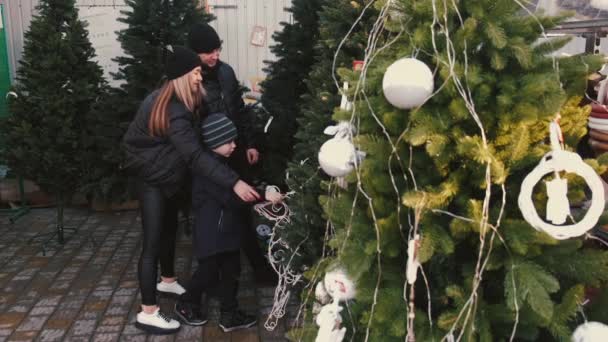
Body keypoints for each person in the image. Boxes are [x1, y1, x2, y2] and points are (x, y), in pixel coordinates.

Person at [122, 46, 260, 335]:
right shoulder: (173, 110)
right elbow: (196, 155)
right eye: (196, 72)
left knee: (169, 230)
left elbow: (211, 128)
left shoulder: (191, 98)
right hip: (151, 176)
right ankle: (148, 311)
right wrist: (234, 181)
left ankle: (168, 280)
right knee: (152, 242)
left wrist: (238, 144)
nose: (201, 76)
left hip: (169, 172)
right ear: (184, 75)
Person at [188, 23, 277, 285]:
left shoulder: (226, 73)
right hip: (211, 161)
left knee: (243, 209)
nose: (215, 56)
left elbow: (240, 110)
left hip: (236, 151)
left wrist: (249, 143)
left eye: (217, 49)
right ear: (195, 53)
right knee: (218, 216)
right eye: (208, 52)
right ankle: (214, 276)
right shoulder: (191, 81)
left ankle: (258, 268)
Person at [175, 113, 271, 332]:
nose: (234, 145)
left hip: (226, 232)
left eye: (234, 140)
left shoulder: (221, 164)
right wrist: (265, 194)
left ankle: (229, 314)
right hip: (212, 235)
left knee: (232, 271)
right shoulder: (209, 171)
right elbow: (233, 198)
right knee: (208, 272)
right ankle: (187, 301)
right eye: (228, 142)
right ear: (213, 143)